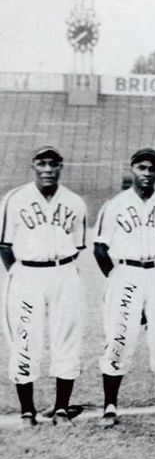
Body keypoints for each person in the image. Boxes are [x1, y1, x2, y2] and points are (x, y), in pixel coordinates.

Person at [94, 148, 155, 428]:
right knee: (119, 338)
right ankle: (110, 406)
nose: (147, 173)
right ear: (132, 169)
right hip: (126, 273)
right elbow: (99, 249)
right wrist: (118, 278)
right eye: (142, 168)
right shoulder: (115, 205)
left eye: (152, 169)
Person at [0, 146, 87, 426]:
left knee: (67, 339)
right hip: (26, 274)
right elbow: (4, 246)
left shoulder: (75, 202)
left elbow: (77, 246)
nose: (48, 169)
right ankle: (28, 411)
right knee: (25, 339)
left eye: (53, 164)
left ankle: (61, 408)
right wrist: (19, 273)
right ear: (33, 166)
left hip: (64, 272)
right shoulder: (14, 199)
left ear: (61, 167)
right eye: (42, 163)